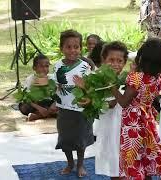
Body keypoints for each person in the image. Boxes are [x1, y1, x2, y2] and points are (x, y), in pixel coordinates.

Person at [111, 38, 161, 179]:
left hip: (132, 123)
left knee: (132, 155)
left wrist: (112, 86)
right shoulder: (159, 78)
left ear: (141, 57)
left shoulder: (136, 78)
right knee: (145, 154)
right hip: (147, 120)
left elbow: (124, 102)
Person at [53, 29, 95, 178]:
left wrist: (83, 86)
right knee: (65, 138)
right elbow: (57, 84)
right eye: (68, 47)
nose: (72, 50)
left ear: (80, 48)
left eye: (76, 47)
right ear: (61, 48)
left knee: (80, 139)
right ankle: (70, 163)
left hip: (81, 109)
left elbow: (92, 89)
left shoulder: (85, 67)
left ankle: (80, 164)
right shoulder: (57, 65)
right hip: (63, 109)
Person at [94, 41, 128, 179]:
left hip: (124, 127)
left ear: (125, 62)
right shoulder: (98, 80)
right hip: (109, 127)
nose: (115, 64)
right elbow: (101, 104)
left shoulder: (127, 80)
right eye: (111, 60)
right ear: (103, 60)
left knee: (124, 160)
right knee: (112, 161)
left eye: (119, 61)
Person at [18, 54, 58, 121]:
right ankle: (47, 113)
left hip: (49, 103)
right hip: (35, 104)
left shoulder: (52, 79)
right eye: (41, 66)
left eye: (47, 66)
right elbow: (26, 98)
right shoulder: (30, 79)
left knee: (64, 106)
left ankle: (38, 116)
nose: (44, 69)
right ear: (34, 68)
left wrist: (54, 104)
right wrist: (39, 108)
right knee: (23, 106)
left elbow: (59, 94)